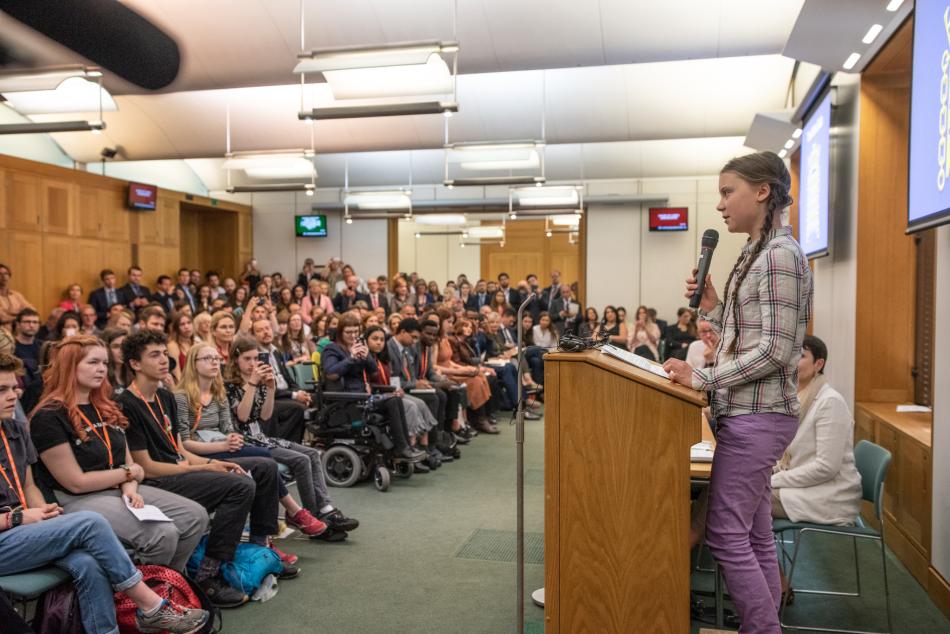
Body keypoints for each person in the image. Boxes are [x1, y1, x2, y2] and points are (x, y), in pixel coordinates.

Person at [663, 151, 812, 633]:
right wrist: (713, 309)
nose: (721, 205)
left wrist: (702, 378)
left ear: (763, 191)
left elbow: (775, 350)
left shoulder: (780, 256)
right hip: (746, 413)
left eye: (729, 192)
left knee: (725, 534)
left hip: (760, 416)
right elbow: (745, 334)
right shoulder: (755, 252)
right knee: (755, 535)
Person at [0, 352, 209, 633]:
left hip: (22, 530)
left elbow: (27, 486)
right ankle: (151, 606)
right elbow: (74, 483)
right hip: (7, 533)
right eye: (2, 390)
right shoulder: (47, 417)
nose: (13, 395)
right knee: (90, 522)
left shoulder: (14, 428)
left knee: (88, 563)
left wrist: (44, 515)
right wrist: (15, 519)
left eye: (14, 388)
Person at [117, 330, 279, 607]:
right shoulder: (127, 404)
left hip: (179, 469)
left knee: (263, 466)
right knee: (240, 486)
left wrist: (211, 464)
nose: (163, 360)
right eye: (154, 355)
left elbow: (179, 449)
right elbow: (146, 466)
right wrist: (199, 470)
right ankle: (208, 576)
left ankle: (258, 547)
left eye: (164, 354)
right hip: (157, 480)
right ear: (134, 364)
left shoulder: (165, 398)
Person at [30, 336, 209, 572]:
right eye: (93, 362)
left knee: (196, 516)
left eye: (104, 363)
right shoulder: (49, 416)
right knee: (162, 534)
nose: (102, 369)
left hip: (120, 489)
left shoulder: (106, 405)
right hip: (76, 499)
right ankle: (141, 600)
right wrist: (127, 474)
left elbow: (130, 464)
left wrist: (129, 489)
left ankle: (168, 584)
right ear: (69, 366)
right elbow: (76, 483)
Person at [173, 344, 327, 545]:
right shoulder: (182, 397)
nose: (214, 362)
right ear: (193, 364)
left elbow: (230, 428)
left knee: (268, 463)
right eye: (207, 358)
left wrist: (233, 439)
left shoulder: (218, 392)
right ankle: (290, 515)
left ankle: (269, 536)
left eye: (216, 358)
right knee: (265, 462)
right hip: (202, 451)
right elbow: (183, 443)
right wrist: (223, 446)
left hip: (224, 444)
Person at [225, 336, 359, 539]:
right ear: (236, 360)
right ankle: (313, 517)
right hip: (244, 441)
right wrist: (252, 383)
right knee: (301, 459)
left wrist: (269, 388)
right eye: (247, 359)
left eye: (256, 358)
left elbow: (265, 415)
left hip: (260, 437)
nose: (253, 363)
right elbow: (242, 416)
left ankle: (325, 508)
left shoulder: (258, 382)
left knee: (312, 453)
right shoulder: (230, 386)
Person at [322, 314, 425, 461]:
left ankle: (404, 447)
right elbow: (331, 374)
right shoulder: (331, 349)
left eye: (356, 332)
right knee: (392, 401)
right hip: (347, 400)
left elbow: (375, 374)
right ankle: (402, 448)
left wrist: (367, 357)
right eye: (348, 332)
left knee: (394, 399)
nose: (353, 336)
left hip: (364, 397)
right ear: (340, 332)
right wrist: (351, 359)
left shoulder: (360, 347)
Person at [252, 319, 309, 443]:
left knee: (315, 398)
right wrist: (294, 395)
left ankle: (295, 442)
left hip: (285, 393)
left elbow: (288, 378)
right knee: (297, 408)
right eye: (260, 330)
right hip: (272, 397)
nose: (265, 332)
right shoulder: (256, 356)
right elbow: (266, 388)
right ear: (253, 336)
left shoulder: (275, 351)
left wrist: (300, 391)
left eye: (267, 328)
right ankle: (283, 443)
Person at [12, 309, 43, 389]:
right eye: (27, 322)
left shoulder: (43, 345)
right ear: (18, 324)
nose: (31, 325)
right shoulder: (11, 347)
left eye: (35, 322)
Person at [0, 264, 35, 331]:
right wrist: (20, 314)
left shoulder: (16, 295)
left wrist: (9, 313)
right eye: (0, 274)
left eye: (6, 274)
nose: (4, 277)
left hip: (20, 332)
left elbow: (32, 310)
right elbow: (2, 318)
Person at [101, 327, 130, 393]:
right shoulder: (101, 375)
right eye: (116, 346)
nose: (122, 351)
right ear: (106, 348)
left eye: (124, 346)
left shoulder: (133, 374)